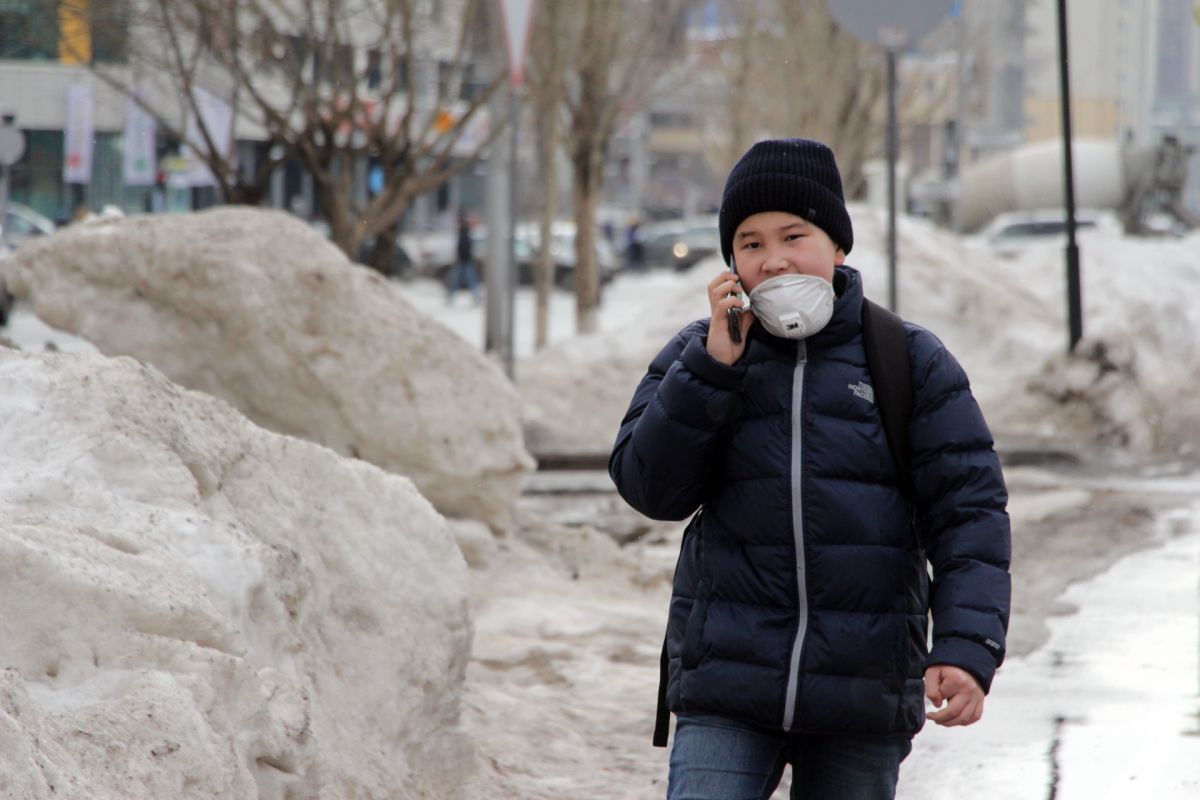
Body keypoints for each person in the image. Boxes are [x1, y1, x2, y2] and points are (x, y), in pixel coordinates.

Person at [608, 138, 1011, 800]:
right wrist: (711, 370)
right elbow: (651, 489)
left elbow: (969, 518)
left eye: (794, 236)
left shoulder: (908, 360)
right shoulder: (702, 353)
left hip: (863, 694)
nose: (773, 260)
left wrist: (966, 650)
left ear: (837, 246)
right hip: (727, 687)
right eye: (749, 243)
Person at [447, 208, 482, 304]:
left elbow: (463, 248)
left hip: (465, 261)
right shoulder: (464, 233)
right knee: (463, 280)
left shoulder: (464, 233)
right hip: (464, 261)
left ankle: (477, 297)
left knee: (468, 280)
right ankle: (476, 297)